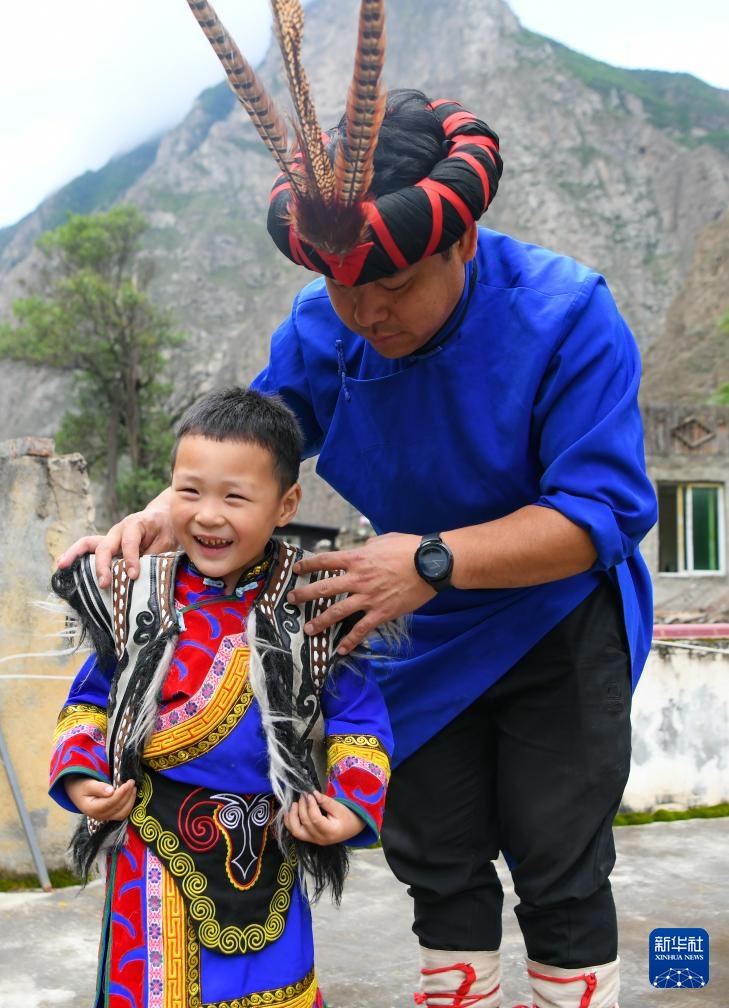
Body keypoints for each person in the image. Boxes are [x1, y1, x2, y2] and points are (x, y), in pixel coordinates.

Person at [58, 5, 657, 1006]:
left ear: (459, 244)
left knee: (559, 865)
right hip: (406, 629)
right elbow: (254, 445)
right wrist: (166, 510)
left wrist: (424, 562)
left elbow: (598, 516)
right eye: (342, 288)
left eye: (392, 283)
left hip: (553, 621)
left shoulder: (567, 316)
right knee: (440, 857)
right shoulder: (326, 322)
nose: (365, 312)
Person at [49, 387, 394, 1008]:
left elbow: (358, 722)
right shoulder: (137, 597)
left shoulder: (313, 604)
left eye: (235, 496)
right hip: (150, 844)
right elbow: (88, 703)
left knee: (275, 988)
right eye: (189, 491)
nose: (208, 516)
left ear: (286, 502)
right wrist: (80, 779)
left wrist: (349, 804)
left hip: (269, 842)